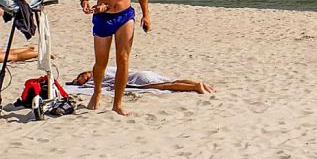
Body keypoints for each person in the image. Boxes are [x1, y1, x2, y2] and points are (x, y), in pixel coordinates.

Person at [79, 0, 151, 115]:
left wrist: (146, 15)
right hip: (103, 17)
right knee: (101, 62)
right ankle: (97, 92)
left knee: (123, 59)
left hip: (125, 16)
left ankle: (117, 103)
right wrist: (85, 3)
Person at [70, 68, 214, 94]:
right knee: (170, 80)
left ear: (85, 74)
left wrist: (77, 84)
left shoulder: (96, 75)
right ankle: (199, 84)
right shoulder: (106, 67)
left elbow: (97, 85)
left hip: (137, 79)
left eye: (79, 78)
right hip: (140, 73)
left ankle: (196, 87)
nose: (79, 82)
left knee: (166, 86)